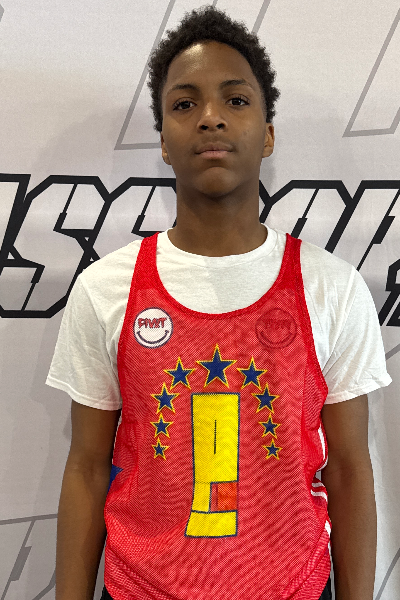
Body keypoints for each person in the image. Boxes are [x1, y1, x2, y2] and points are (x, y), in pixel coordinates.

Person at [46, 6, 392, 600]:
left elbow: (350, 471)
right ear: (163, 140)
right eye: (185, 104)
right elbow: (85, 468)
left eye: (235, 100)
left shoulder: (331, 287)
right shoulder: (106, 289)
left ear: (268, 133)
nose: (210, 117)